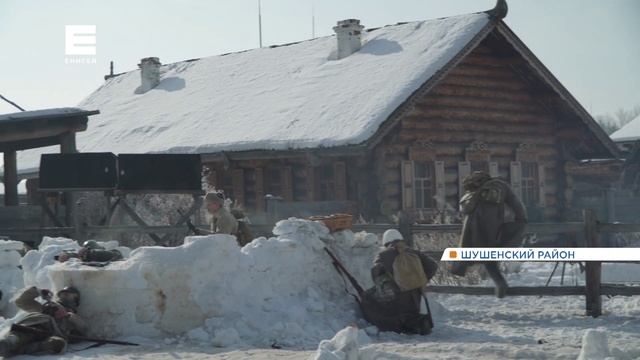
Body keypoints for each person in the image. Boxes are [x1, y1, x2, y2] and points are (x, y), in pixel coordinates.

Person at [450, 171, 527, 298]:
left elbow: (464, 209)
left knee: (484, 257)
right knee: (489, 258)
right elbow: (515, 203)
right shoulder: (501, 186)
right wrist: (521, 219)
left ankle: (500, 283)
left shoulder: (473, 192)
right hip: (494, 226)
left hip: (474, 228)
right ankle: (500, 283)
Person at [368, 229, 438, 334]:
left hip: (395, 299)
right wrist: (420, 280)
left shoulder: (383, 255)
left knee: (367, 297)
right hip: (415, 297)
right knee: (411, 313)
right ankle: (416, 323)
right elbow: (433, 266)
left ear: (385, 242)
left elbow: (375, 273)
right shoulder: (414, 252)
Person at [0, 286, 86, 357]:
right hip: (34, 326)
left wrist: (68, 316)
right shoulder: (46, 308)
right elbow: (21, 302)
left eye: (68, 295)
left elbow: (83, 329)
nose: (64, 297)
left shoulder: (73, 318)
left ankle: (21, 349)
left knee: (57, 343)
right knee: (21, 335)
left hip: (49, 335)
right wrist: (38, 291)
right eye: (62, 295)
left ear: (75, 299)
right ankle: (7, 343)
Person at [56, 240, 123, 263]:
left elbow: (117, 254)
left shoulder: (103, 253)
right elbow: (74, 255)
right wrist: (66, 255)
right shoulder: (82, 255)